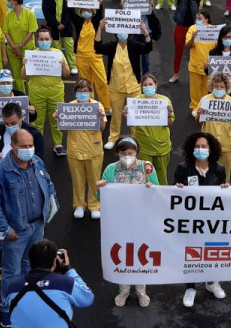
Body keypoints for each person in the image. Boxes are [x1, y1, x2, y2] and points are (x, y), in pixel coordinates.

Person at [0, 127, 57, 327]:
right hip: (16, 231)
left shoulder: (37, 163)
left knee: (30, 267)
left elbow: (49, 184)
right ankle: (7, 309)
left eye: (31, 145)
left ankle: (27, 302)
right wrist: (5, 231)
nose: (28, 149)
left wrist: (51, 207)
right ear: (14, 147)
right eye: (24, 146)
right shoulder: (0, 171)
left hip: (37, 226)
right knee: (11, 272)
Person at [96, 136, 159, 307]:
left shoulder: (147, 167)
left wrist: (151, 187)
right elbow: (100, 196)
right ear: (117, 153)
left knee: (140, 254)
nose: (126, 156)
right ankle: (123, 291)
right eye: (123, 153)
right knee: (122, 255)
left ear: (136, 152)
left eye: (130, 152)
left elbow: (157, 192)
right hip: (119, 221)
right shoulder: (110, 169)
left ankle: (141, 291)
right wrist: (100, 187)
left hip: (142, 220)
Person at [172, 132, 228, 308]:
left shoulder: (219, 169)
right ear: (191, 148)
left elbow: (224, 197)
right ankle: (190, 287)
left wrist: (226, 188)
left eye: (204, 147)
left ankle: (212, 283)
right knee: (191, 252)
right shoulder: (183, 168)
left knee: (212, 251)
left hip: (212, 221)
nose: (200, 149)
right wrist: (178, 188)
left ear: (211, 149)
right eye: (197, 146)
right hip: (191, 221)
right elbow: (174, 194)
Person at [96, 14, 152, 142]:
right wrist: (100, 28)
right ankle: (113, 138)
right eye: (120, 32)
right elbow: (97, 47)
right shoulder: (111, 47)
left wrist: (145, 31)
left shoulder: (134, 46)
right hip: (115, 87)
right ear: (116, 34)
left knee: (134, 115)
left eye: (125, 32)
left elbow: (148, 48)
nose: (123, 34)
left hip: (133, 86)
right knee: (116, 115)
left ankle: (135, 138)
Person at [64, 77, 107, 219]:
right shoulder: (69, 107)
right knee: (77, 179)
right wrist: (59, 119)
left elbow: (102, 128)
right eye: (80, 91)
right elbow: (64, 128)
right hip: (75, 149)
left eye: (86, 90)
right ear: (75, 92)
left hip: (94, 149)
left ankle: (94, 205)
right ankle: (79, 205)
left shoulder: (98, 106)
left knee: (95, 179)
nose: (83, 93)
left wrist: (101, 118)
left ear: (90, 91)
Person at [24, 26, 70, 156]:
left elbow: (66, 74)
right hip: (36, 91)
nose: (44, 41)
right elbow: (24, 77)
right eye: (41, 39)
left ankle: (58, 144)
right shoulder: (32, 54)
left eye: (46, 39)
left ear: (51, 40)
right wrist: (25, 65)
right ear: (37, 40)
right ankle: (37, 143)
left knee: (56, 117)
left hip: (55, 90)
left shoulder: (58, 54)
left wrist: (63, 65)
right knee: (37, 119)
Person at [127, 72, 174, 179]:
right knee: (144, 178)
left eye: (150, 84)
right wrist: (127, 115)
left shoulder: (165, 101)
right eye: (145, 85)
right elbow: (133, 123)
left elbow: (169, 124)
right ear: (142, 87)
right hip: (144, 148)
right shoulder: (136, 101)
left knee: (161, 177)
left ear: (156, 85)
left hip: (162, 148)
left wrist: (168, 115)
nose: (148, 87)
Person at [197, 72, 231, 177]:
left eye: (222, 87)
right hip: (208, 145)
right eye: (216, 86)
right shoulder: (205, 100)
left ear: (227, 88)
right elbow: (199, 124)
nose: (219, 89)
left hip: (227, 146)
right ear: (212, 86)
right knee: (205, 174)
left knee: (225, 175)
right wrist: (199, 115)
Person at [74, 5, 111, 111]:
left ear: (93, 11)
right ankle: (89, 105)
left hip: (95, 56)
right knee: (86, 83)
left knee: (102, 82)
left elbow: (100, 11)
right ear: (80, 11)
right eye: (84, 10)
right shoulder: (78, 22)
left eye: (89, 10)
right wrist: (67, 1)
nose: (86, 12)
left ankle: (106, 107)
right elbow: (70, 13)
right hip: (81, 56)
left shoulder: (96, 21)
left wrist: (100, 2)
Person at [170, 0, 207, 85]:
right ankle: (175, 74)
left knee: (195, 52)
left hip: (193, 29)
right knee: (178, 52)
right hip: (180, 28)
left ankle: (196, 74)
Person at [41, 0, 78, 76]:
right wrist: (56, 24)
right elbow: (47, 13)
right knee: (56, 48)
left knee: (69, 46)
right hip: (53, 27)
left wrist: (64, 23)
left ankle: (73, 65)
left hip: (66, 26)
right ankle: (60, 66)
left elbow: (71, 12)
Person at [3, 0, 37, 94]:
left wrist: (20, 46)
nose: (8, 2)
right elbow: (6, 32)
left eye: (9, 0)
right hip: (12, 50)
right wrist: (13, 46)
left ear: (15, 1)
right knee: (17, 75)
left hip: (27, 49)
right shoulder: (8, 15)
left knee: (28, 74)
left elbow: (31, 32)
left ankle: (32, 95)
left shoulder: (29, 14)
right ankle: (22, 95)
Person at [185, 9, 217, 114]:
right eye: (196, 18)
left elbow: (218, 47)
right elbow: (188, 45)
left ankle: (205, 106)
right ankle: (195, 107)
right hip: (195, 64)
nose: (197, 20)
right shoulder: (192, 29)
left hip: (209, 65)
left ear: (206, 20)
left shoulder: (213, 30)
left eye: (200, 18)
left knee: (207, 88)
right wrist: (193, 37)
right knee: (195, 88)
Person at [129, 0, 163, 75]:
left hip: (145, 32)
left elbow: (151, 16)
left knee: (145, 55)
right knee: (133, 55)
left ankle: (146, 76)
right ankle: (135, 76)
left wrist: (150, 6)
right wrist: (123, 6)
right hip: (134, 32)